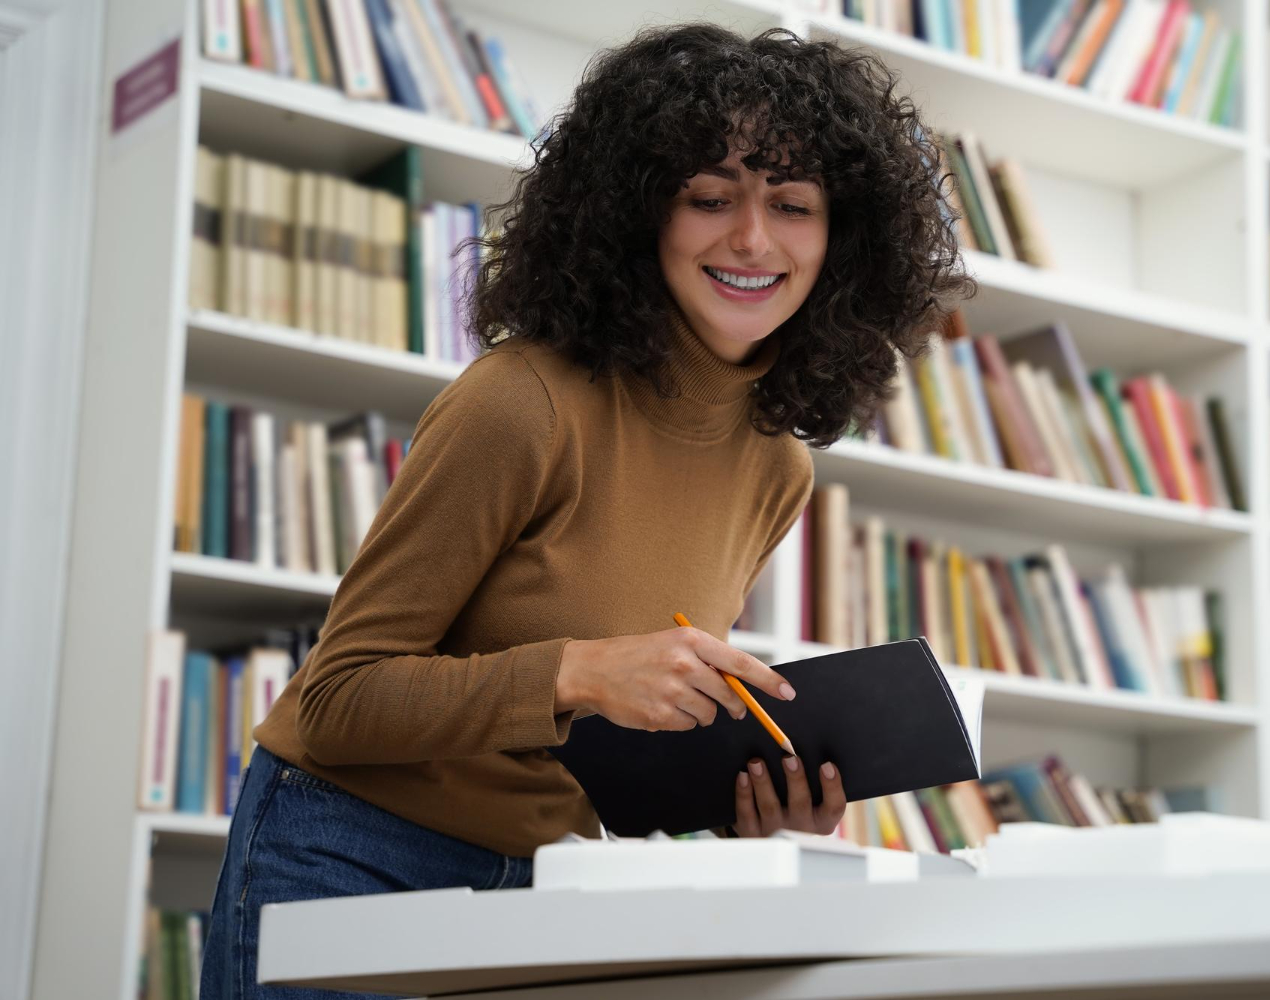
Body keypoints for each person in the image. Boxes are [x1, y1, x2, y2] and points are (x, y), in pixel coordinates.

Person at [198, 20, 971, 997]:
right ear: (641, 212)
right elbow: (339, 700)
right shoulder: (522, 401)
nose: (751, 237)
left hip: (549, 882)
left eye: (792, 204)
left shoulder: (778, 467)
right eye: (709, 197)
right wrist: (579, 671)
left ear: (843, 238)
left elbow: (619, 730)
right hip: (350, 852)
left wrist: (756, 820)